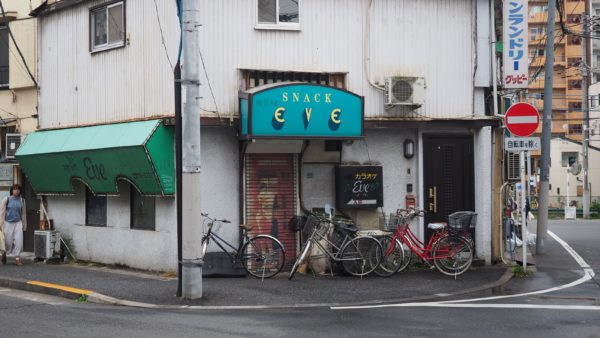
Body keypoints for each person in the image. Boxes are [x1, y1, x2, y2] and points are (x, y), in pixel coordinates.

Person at [0, 184, 27, 266]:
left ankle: (17, 259)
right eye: (15, 189)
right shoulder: (6, 199)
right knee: (8, 242)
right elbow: (2, 212)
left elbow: (23, 214)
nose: (16, 191)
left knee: (19, 241)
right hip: (8, 223)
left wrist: (24, 225)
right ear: (12, 191)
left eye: (18, 189)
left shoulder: (22, 200)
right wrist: (0, 224)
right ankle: (3, 253)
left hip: (18, 223)